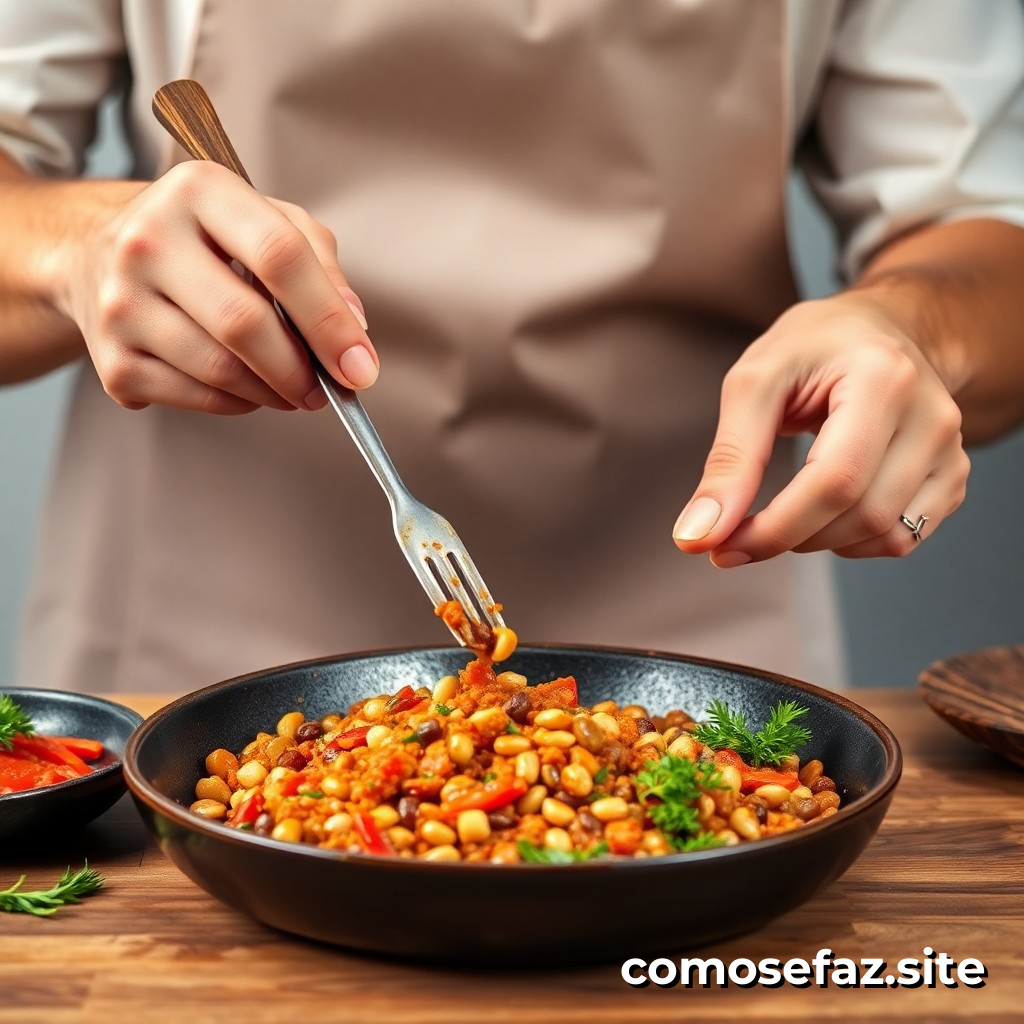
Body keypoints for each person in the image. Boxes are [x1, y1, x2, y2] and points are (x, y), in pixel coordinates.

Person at [1, 0, 1023, 695]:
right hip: (188, 640)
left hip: (697, 656)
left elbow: (987, 238)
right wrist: (78, 248)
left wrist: (913, 329)